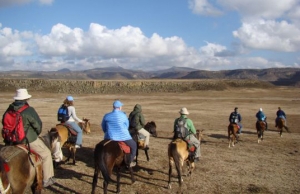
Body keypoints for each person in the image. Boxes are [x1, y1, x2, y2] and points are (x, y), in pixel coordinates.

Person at [2, 88, 56, 187]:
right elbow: (38, 125)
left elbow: (4, 122)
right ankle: (47, 178)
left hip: (10, 140)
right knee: (47, 153)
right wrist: (34, 134)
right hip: (27, 140)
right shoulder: (29, 110)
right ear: (26, 99)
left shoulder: (9, 109)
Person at [101, 100, 137, 167]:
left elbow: (103, 126)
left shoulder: (106, 116)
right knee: (134, 145)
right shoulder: (123, 115)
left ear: (113, 107)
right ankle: (129, 162)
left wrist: (107, 133)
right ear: (120, 107)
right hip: (123, 136)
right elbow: (126, 125)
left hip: (109, 136)